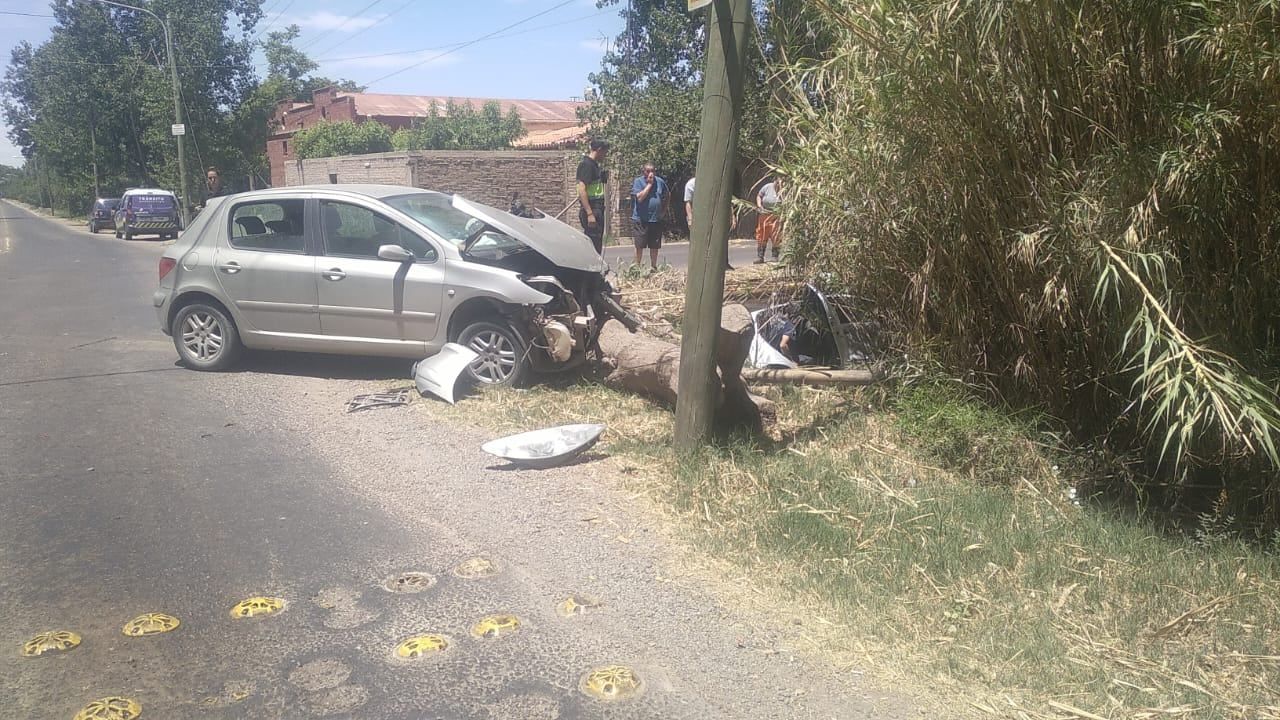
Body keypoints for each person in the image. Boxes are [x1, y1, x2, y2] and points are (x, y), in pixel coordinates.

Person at [683, 175, 734, 271]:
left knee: (721, 239)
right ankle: (699, 265)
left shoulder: (715, 181)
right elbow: (688, 202)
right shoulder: (691, 184)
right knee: (699, 241)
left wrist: (732, 216)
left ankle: (724, 263)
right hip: (699, 217)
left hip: (715, 216)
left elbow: (727, 200)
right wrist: (690, 218)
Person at [630, 162, 668, 271]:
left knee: (654, 246)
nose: (651, 173)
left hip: (655, 219)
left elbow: (667, 195)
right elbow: (640, 198)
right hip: (641, 219)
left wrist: (664, 210)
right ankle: (637, 268)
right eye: (648, 171)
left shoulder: (660, 182)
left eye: (653, 171)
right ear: (644, 172)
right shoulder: (638, 182)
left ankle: (653, 267)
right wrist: (649, 185)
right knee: (639, 245)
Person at [576, 139, 610, 254]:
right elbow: (582, 189)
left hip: (597, 208)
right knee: (593, 245)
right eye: (605, 152)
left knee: (597, 243)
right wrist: (590, 214)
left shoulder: (594, 165)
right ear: (599, 150)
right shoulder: (587, 165)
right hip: (592, 209)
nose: (605, 155)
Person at [755, 176, 783, 264]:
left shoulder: (784, 190)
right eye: (777, 183)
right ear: (775, 181)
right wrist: (759, 206)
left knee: (776, 235)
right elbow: (759, 196)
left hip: (776, 216)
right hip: (764, 214)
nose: (779, 185)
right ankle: (760, 256)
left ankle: (775, 256)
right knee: (762, 235)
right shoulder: (767, 187)